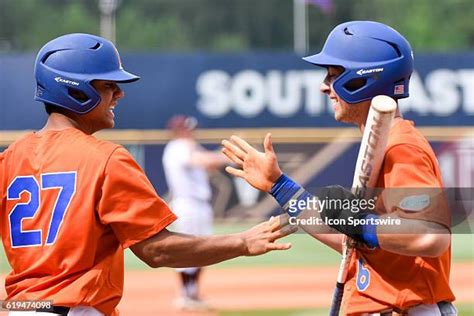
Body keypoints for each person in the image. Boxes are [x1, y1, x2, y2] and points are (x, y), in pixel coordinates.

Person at [0, 33, 295, 316]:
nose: (119, 93)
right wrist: (242, 242)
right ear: (76, 91)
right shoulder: (106, 159)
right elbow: (157, 251)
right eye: (107, 85)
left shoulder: (9, 159)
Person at [221, 21, 457, 315]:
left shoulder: (400, 146)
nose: (324, 87)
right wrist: (280, 186)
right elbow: (356, 244)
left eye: (333, 76)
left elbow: (430, 234)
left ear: (364, 79)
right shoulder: (384, 142)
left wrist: (362, 223)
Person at [162, 115, 229, 310]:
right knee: (187, 249)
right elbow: (203, 160)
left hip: (198, 205)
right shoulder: (179, 146)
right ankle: (184, 295)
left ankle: (193, 294)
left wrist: (222, 156)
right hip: (188, 204)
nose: (191, 131)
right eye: (187, 128)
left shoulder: (187, 146)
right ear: (179, 131)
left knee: (202, 248)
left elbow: (208, 160)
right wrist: (228, 156)